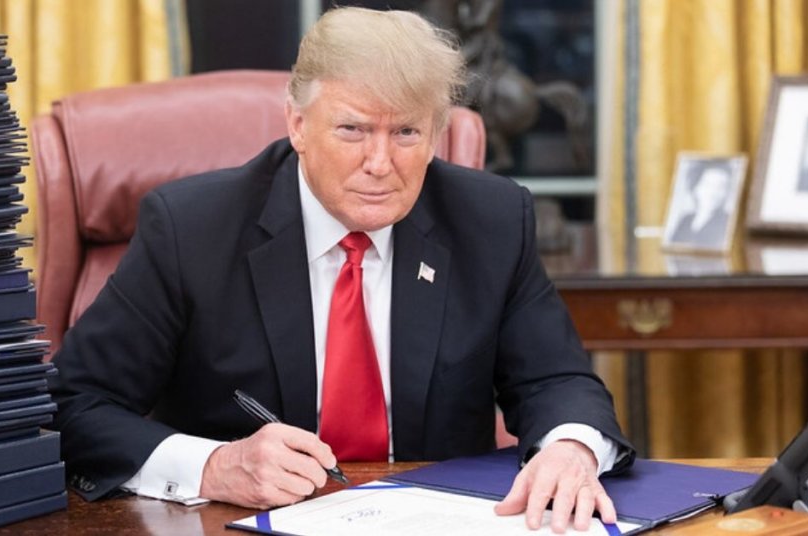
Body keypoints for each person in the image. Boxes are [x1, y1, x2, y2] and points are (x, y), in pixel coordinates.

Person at [48, 7, 632, 534]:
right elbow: (76, 405)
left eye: (406, 132)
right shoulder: (192, 228)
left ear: (436, 137)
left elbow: (556, 382)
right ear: (298, 126)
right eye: (352, 129)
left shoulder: (492, 219)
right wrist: (213, 466)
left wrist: (569, 449)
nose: (380, 164)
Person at [668, 163, 735, 249]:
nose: (714, 192)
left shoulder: (728, 221)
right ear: (695, 187)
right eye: (708, 185)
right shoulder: (686, 220)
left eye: (721, 186)